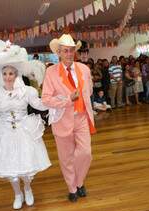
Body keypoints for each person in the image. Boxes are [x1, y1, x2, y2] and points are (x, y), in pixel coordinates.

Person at [0, 49, 51, 210]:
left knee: (26, 164)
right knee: (10, 167)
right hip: (5, 133)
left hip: (24, 130)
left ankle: (28, 189)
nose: (7, 77)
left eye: (11, 73)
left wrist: (51, 98)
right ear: (0, 76)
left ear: (16, 75)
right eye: (5, 74)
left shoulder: (26, 91)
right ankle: (17, 194)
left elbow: (38, 105)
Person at [42, 34, 96, 202]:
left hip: (81, 118)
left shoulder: (84, 69)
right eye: (65, 51)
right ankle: (72, 188)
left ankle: (79, 182)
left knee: (85, 153)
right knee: (66, 158)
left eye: (72, 50)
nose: (69, 54)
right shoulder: (51, 72)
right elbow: (46, 99)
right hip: (62, 120)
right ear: (59, 53)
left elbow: (90, 91)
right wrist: (67, 100)